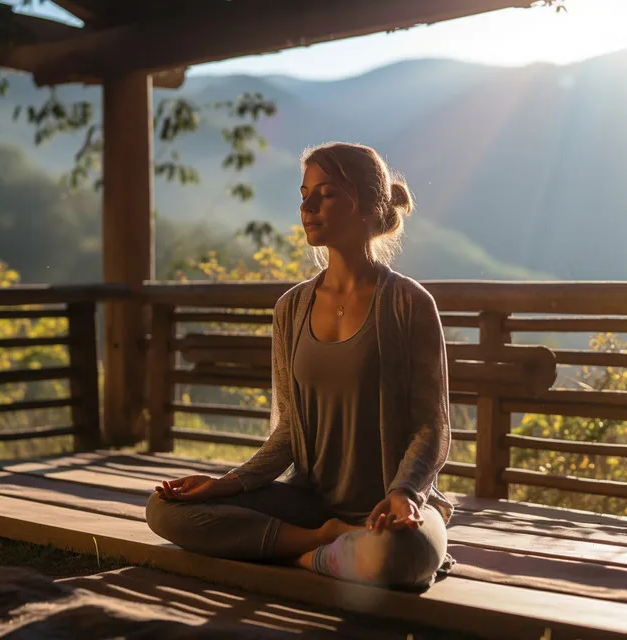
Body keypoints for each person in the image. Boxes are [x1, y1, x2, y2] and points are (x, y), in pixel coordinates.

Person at [146, 142, 454, 589]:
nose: (307, 207)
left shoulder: (410, 304)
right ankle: (324, 544)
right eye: (304, 193)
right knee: (165, 509)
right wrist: (228, 483)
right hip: (311, 504)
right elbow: (290, 429)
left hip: (391, 506)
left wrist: (405, 493)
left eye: (325, 194)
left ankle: (300, 552)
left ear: (368, 204)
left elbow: (432, 428)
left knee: (408, 554)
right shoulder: (290, 309)